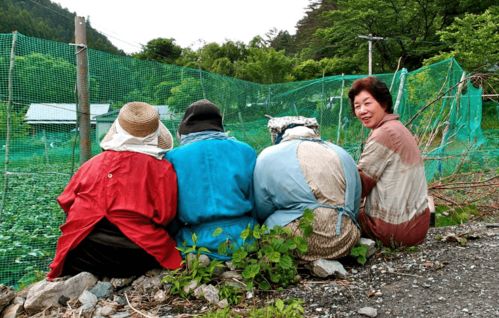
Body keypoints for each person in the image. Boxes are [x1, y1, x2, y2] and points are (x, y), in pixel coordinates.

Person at [48, 102, 182, 279]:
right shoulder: (162, 169)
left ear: (118, 131)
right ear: (154, 135)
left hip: (83, 255)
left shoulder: (92, 164)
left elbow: (66, 202)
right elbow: (165, 215)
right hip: (138, 255)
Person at [253, 116, 361, 261]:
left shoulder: (268, 156)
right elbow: (354, 205)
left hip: (294, 239)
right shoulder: (342, 153)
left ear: (278, 133)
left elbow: (263, 209)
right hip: (345, 238)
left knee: (268, 226)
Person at [166, 99, 257, 259]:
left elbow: (171, 208)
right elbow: (255, 199)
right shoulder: (245, 150)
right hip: (245, 237)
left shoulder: (173, 157)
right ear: (219, 125)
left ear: (185, 128)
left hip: (195, 241)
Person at [348, 76, 430, 247]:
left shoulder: (384, 133)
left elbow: (359, 187)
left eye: (367, 103)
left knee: (336, 219)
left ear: (383, 104)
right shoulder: (398, 127)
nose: (362, 110)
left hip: (394, 231)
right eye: (357, 106)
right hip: (419, 227)